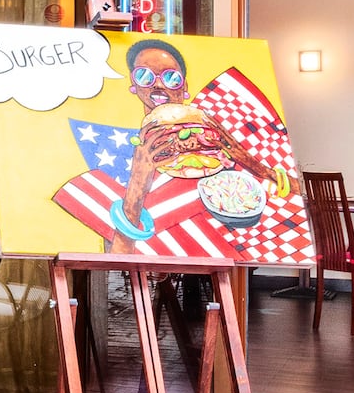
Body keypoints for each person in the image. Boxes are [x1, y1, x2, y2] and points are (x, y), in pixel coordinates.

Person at [108, 38, 290, 250]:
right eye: (144, 76)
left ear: (184, 87)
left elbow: (274, 220)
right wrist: (138, 184)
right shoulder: (129, 153)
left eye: (171, 78)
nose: (158, 84)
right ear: (134, 86)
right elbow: (115, 252)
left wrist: (250, 162)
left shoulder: (218, 142)